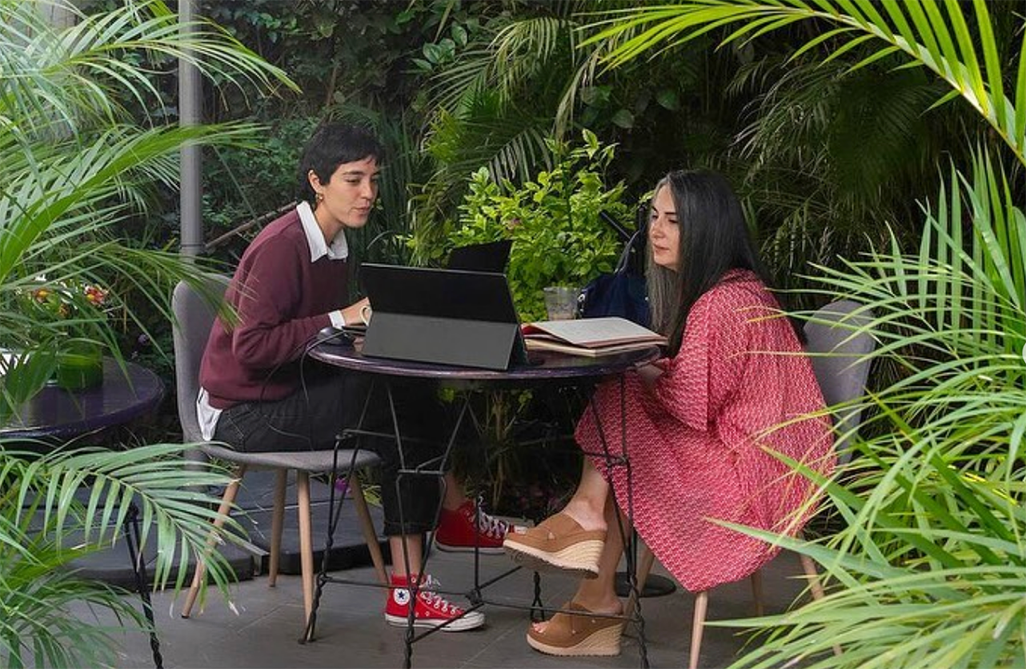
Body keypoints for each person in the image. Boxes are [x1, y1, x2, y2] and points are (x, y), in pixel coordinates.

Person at [197, 123, 515, 632]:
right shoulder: (284, 246)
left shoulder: (334, 242)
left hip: (287, 391)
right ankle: (423, 567)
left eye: (373, 178)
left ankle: (438, 540)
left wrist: (367, 335)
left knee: (408, 384)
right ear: (317, 182)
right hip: (243, 414)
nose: (368, 193)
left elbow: (312, 337)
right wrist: (341, 320)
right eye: (353, 179)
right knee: (397, 406)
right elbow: (252, 348)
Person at [502, 169, 835, 656]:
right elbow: (718, 388)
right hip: (772, 458)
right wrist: (658, 368)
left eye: (673, 221)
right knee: (626, 414)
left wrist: (649, 372)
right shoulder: (741, 289)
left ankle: (589, 549)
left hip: (754, 478)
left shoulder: (722, 303)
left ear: (707, 229)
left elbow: (690, 405)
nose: (656, 230)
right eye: (654, 217)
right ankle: (593, 580)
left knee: (621, 396)